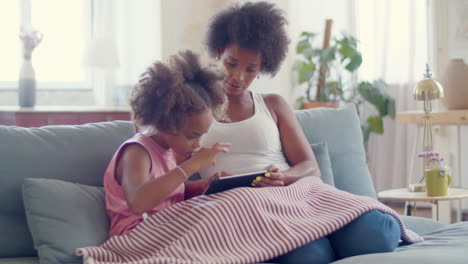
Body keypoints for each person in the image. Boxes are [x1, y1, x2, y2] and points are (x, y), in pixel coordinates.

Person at [199, 2, 401, 263]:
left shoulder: (272, 104)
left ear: (263, 67)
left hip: (294, 193)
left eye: (251, 69)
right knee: (309, 255)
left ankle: (328, 232)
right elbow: (171, 171)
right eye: (232, 64)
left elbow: (309, 166)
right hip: (243, 208)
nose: (238, 76)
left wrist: (283, 177)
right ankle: (321, 239)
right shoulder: (193, 109)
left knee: (378, 232)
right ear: (218, 53)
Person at [103, 50, 231, 237]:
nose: (198, 144)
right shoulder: (137, 151)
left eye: (202, 135)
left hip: (166, 227)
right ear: (165, 123)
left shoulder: (168, 151)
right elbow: (138, 203)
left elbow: (170, 193)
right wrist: (191, 165)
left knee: (229, 208)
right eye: (192, 136)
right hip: (136, 234)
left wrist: (206, 185)